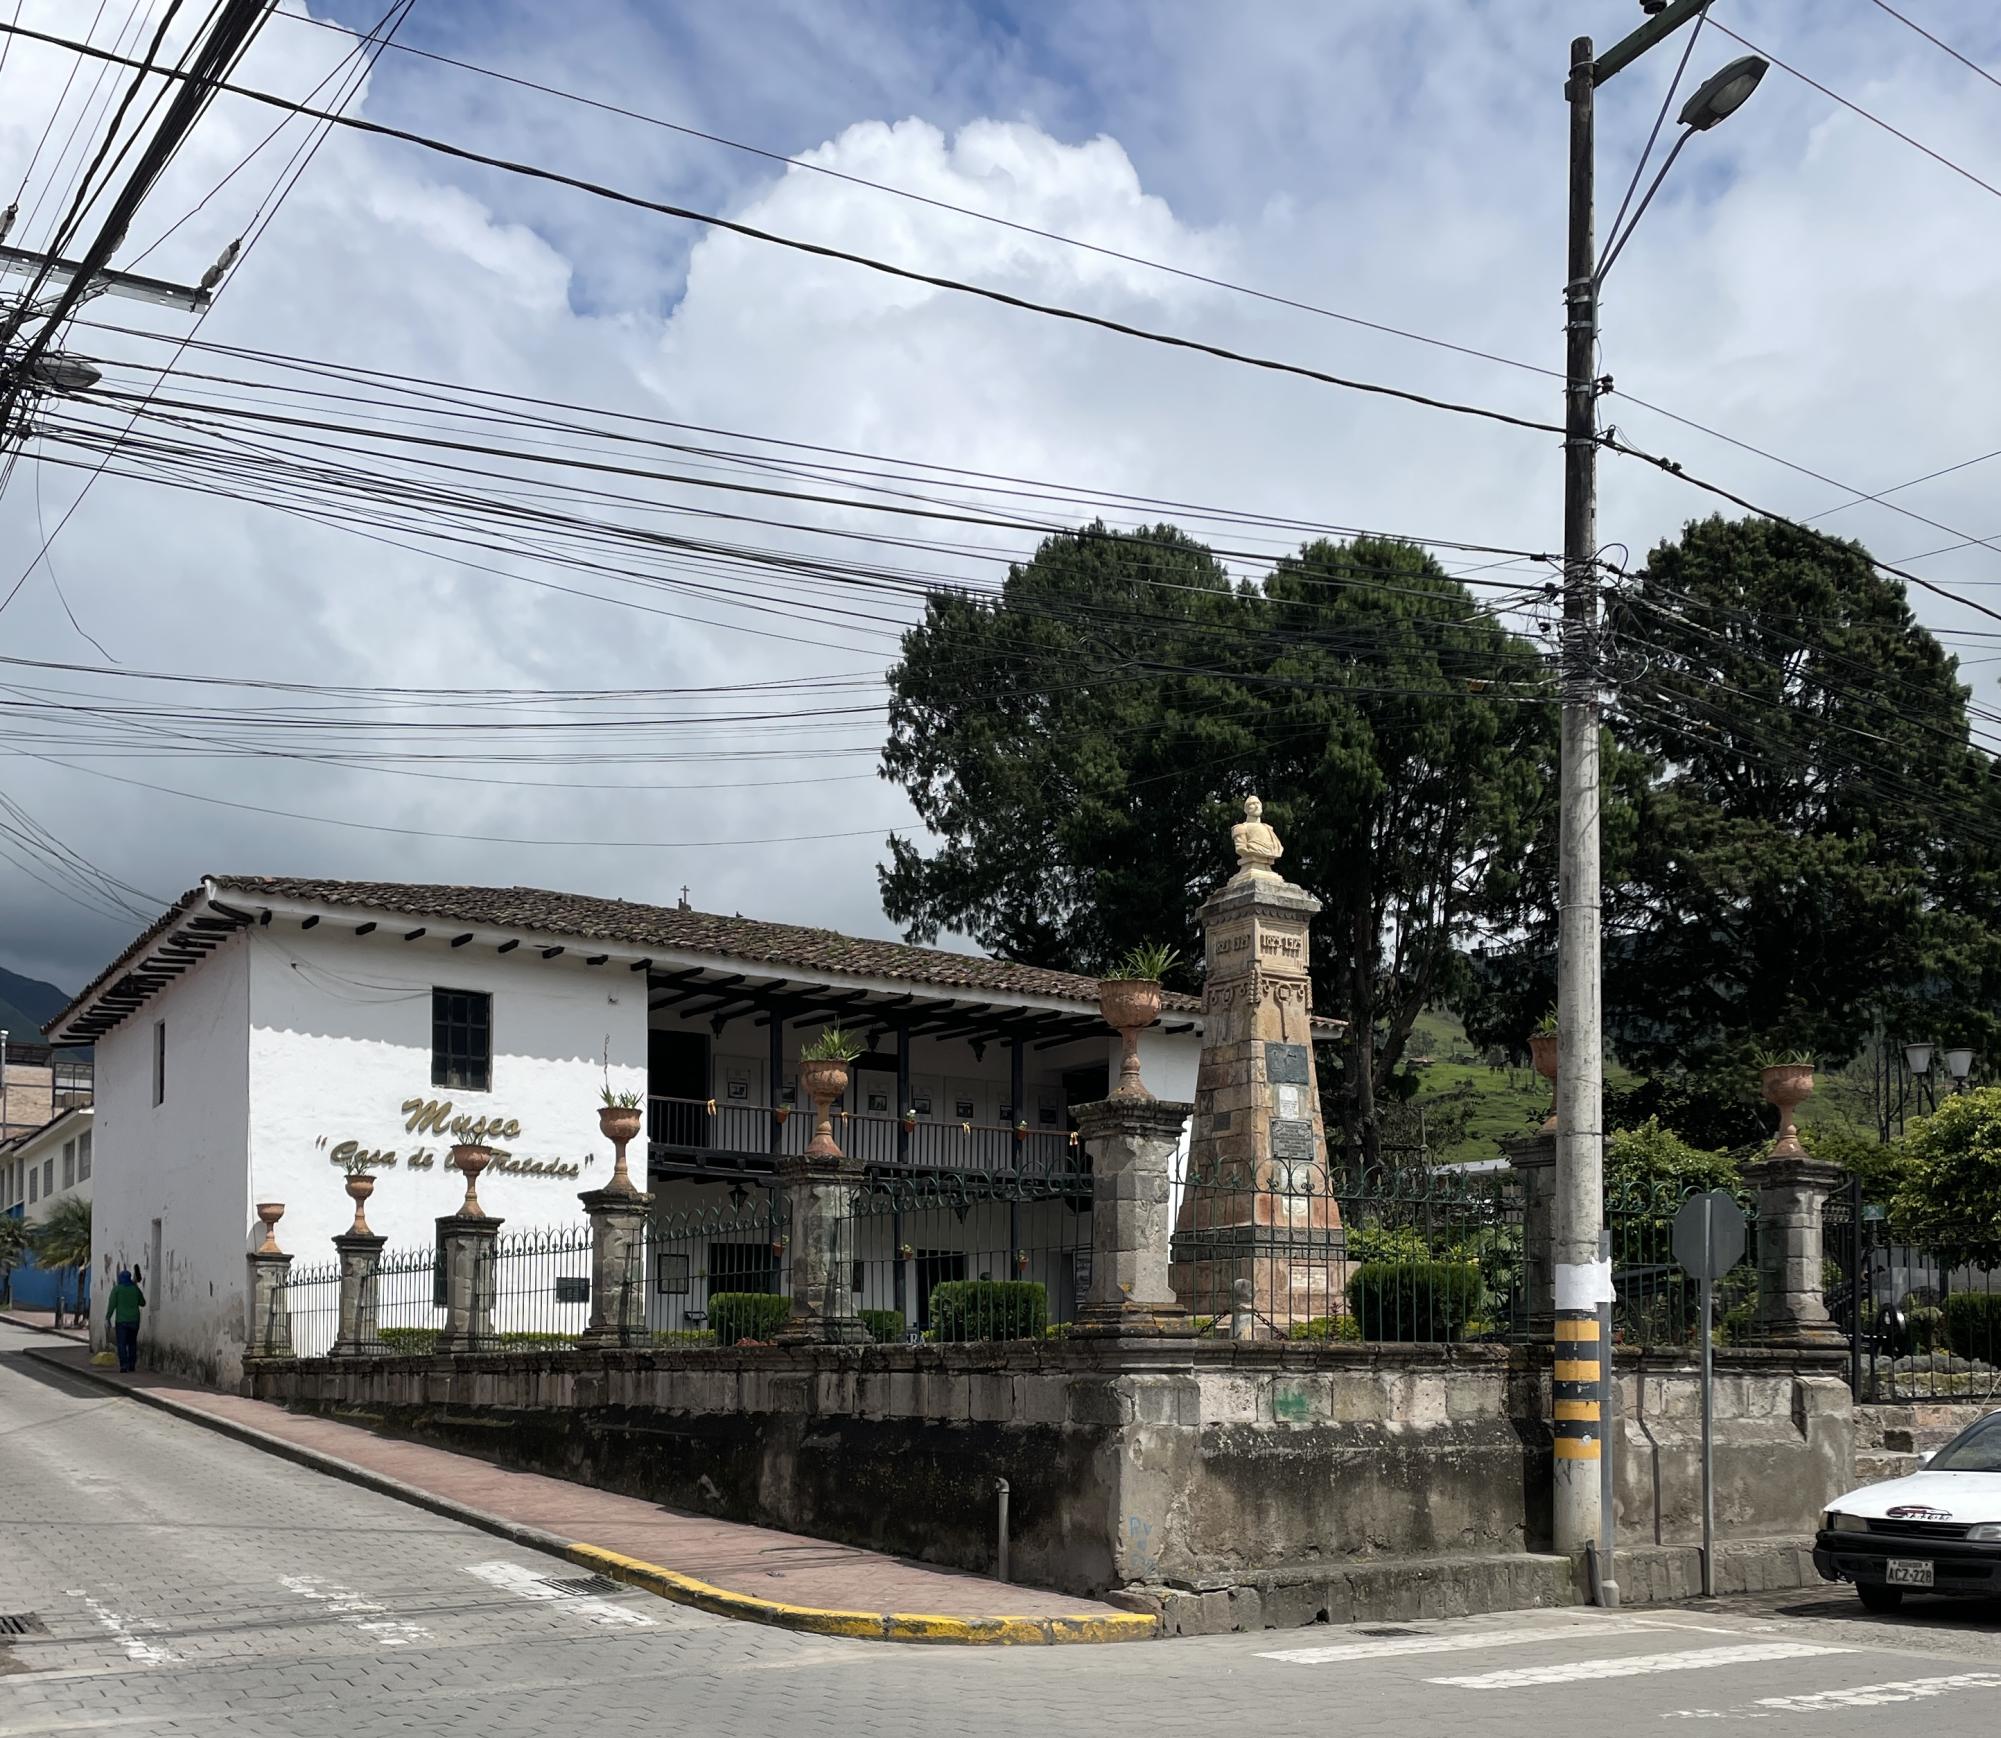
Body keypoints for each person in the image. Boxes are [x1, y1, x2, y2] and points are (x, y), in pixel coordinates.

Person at [105, 1268, 145, 1373]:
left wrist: (107, 1317)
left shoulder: (117, 1289)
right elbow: (143, 1303)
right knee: (132, 1343)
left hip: (121, 1321)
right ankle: (132, 1365)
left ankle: (124, 1365)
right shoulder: (135, 1289)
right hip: (134, 1320)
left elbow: (112, 1305)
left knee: (121, 1344)